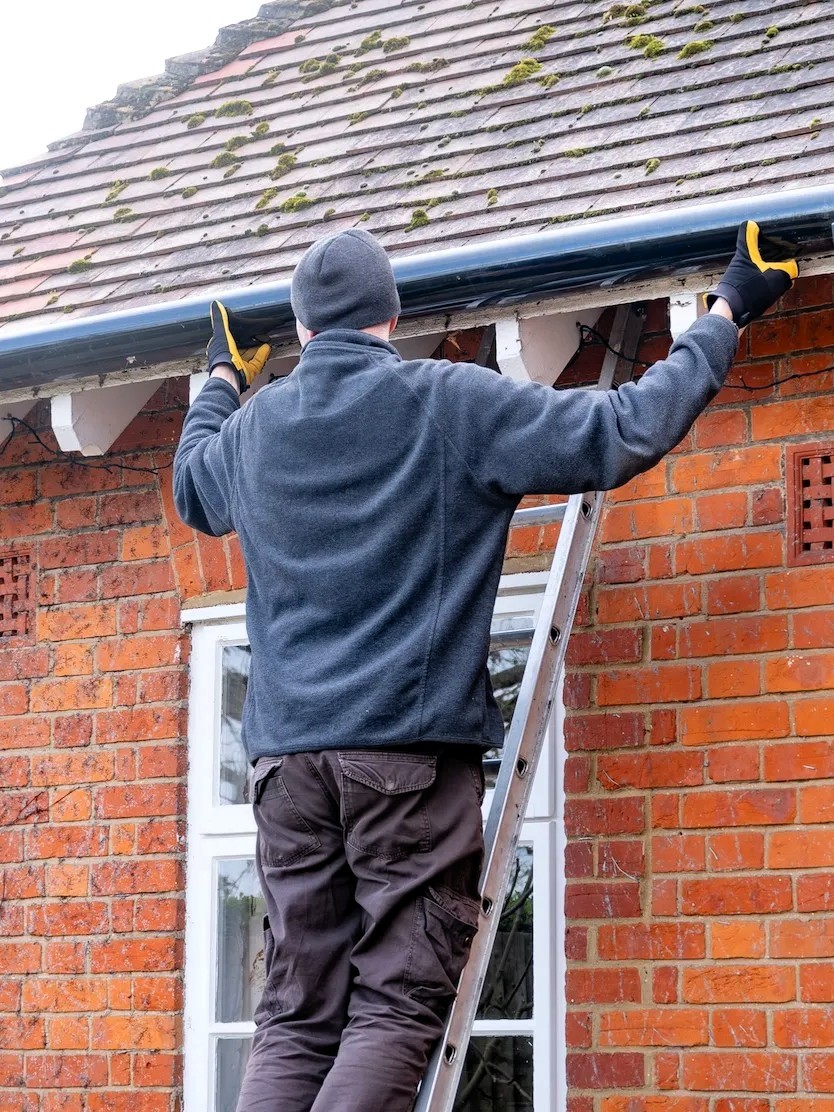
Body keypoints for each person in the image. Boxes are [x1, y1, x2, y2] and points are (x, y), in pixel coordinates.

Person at [173, 222, 797, 1111]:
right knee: (394, 1006)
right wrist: (729, 308)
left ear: (303, 330)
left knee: (295, 1018)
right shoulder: (449, 401)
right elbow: (624, 427)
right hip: (403, 759)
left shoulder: (254, 432)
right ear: (392, 316)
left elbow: (191, 484)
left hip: (287, 775)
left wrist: (222, 376)